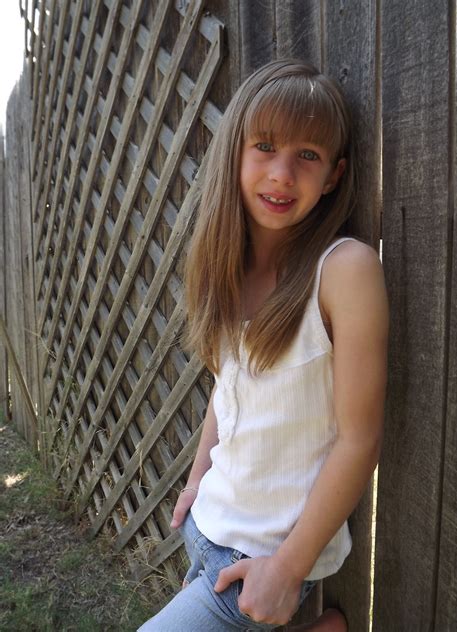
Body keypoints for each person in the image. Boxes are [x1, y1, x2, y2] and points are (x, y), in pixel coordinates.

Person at [138, 59, 389, 631]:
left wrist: (288, 569)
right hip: (207, 526)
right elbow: (227, 390)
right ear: (235, 153)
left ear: (333, 176)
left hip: (265, 559)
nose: (282, 173)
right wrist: (197, 480)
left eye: (308, 155)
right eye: (266, 146)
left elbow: (360, 439)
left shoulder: (344, 271)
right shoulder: (229, 268)